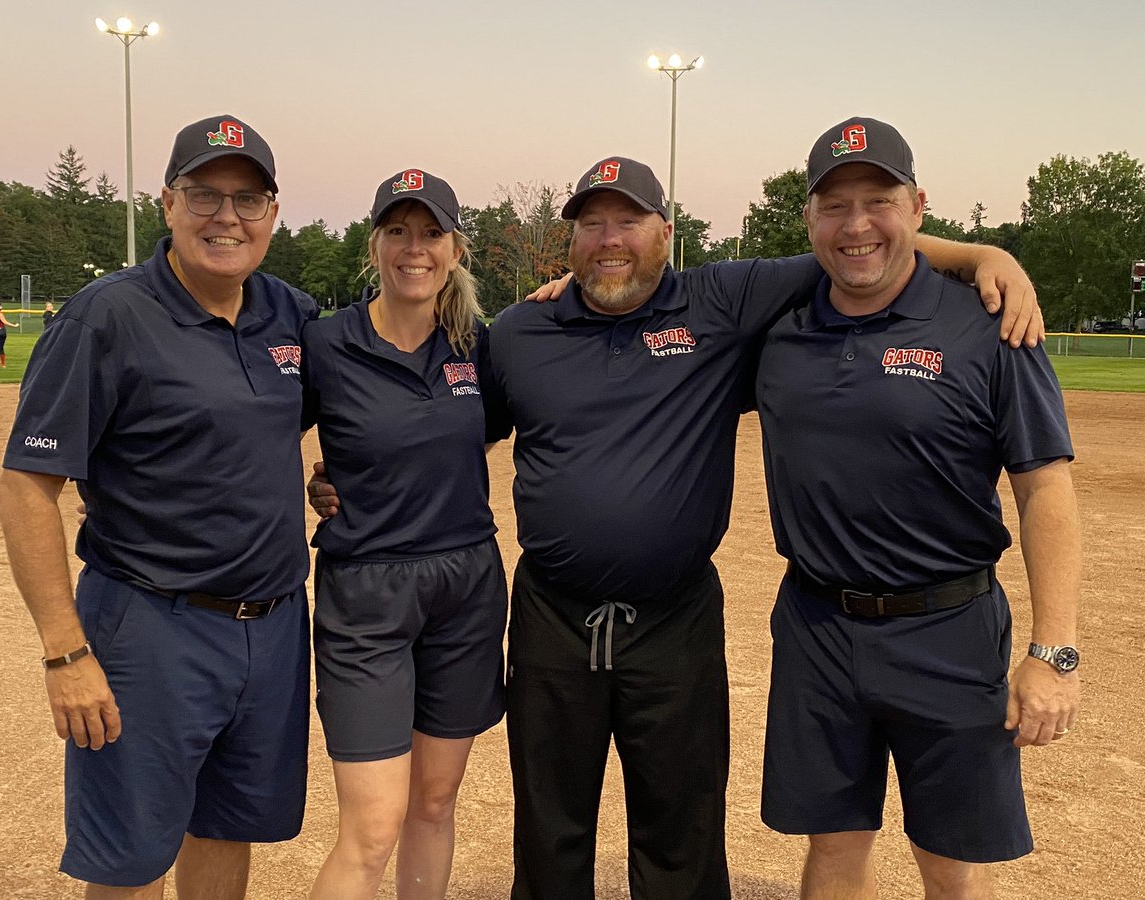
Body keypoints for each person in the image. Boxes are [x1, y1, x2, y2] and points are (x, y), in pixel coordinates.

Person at [312, 155, 1041, 899]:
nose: (609, 238)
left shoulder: (721, 301)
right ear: (571, 240)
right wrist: (349, 477)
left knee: (680, 826)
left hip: (676, 616)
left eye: (627, 219)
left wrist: (984, 253)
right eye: (592, 223)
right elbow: (454, 425)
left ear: (666, 229)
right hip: (552, 615)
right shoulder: (523, 330)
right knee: (550, 824)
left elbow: (855, 245)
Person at [752, 117, 1080, 900]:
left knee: (948, 860)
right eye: (834, 205)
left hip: (950, 629)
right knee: (833, 845)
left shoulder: (992, 326)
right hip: (817, 627)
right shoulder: (777, 331)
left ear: (918, 204)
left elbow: (1045, 491)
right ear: (809, 221)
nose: (857, 224)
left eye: (879, 200)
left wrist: (1055, 652)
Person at [0, 114, 317, 899]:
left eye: (248, 200)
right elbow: (26, 487)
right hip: (149, 624)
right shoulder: (107, 315)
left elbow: (368, 387)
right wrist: (65, 652)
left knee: (227, 830)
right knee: (131, 856)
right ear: (168, 201)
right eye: (205, 195)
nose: (226, 218)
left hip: (273, 625)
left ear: (274, 213)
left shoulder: (292, 314)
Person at [301, 170, 507, 900]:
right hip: (367, 596)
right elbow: (246, 432)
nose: (413, 248)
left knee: (433, 801)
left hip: (466, 586)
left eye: (430, 234)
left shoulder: (479, 347)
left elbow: (491, 429)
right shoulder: (325, 344)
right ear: (375, 245)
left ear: (455, 249)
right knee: (372, 826)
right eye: (398, 231)